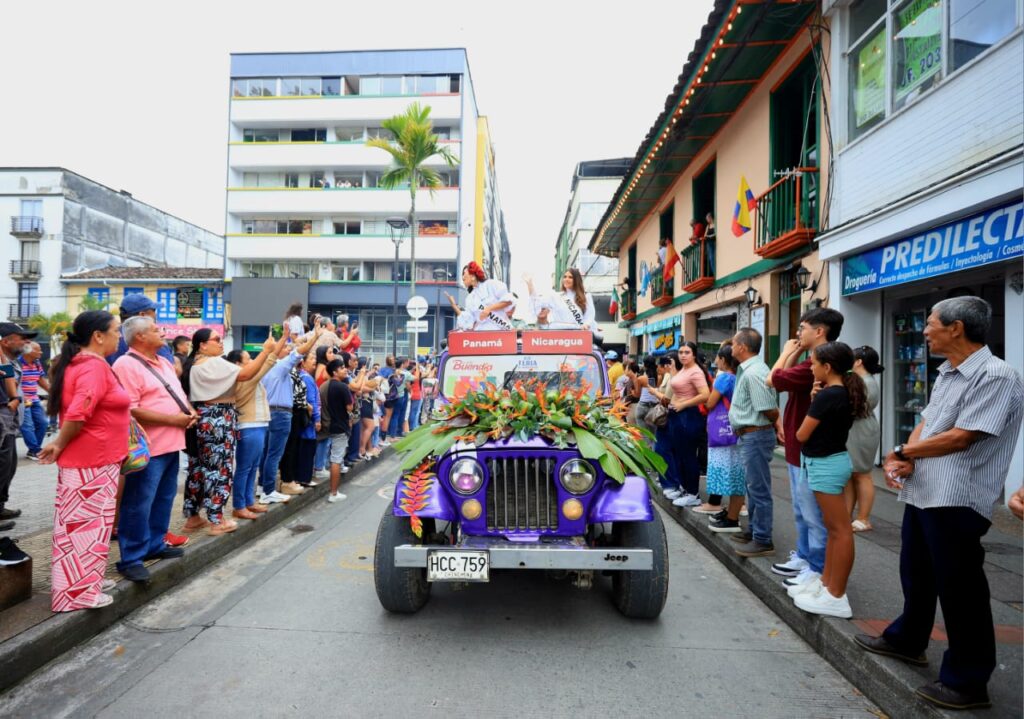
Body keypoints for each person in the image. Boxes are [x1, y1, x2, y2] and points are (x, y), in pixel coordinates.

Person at [858, 296, 1023, 711]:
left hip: (959, 498)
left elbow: (963, 436)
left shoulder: (996, 375)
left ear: (956, 328)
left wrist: (906, 452)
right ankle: (907, 640)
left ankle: (968, 682)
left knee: (961, 590)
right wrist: (902, 455)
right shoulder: (947, 372)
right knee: (916, 572)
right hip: (927, 492)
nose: (925, 329)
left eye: (930, 323)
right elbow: (928, 423)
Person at [38, 311, 129, 611]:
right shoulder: (92, 367)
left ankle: (85, 581)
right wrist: (58, 443)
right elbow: (79, 411)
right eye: (116, 331)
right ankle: (78, 594)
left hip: (92, 459)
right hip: (92, 460)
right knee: (85, 528)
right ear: (98, 336)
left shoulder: (85, 364)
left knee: (84, 527)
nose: (120, 336)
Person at [111, 316, 198, 583]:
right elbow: (131, 408)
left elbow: (175, 395)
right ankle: (132, 557)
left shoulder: (163, 361)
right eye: (154, 330)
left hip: (171, 443)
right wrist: (174, 419)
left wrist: (188, 411)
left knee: (163, 497)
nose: (161, 332)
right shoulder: (126, 364)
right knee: (138, 502)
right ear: (139, 337)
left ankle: (154, 544)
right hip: (148, 446)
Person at [767, 308, 843, 590]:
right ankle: (806, 557)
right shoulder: (814, 363)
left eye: (803, 328)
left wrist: (788, 351)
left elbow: (772, 378)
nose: (798, 334)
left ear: (820, 331)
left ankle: (817, 568)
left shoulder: (820, 364)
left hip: (811, 450)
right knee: (802, 509)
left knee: (813, 513)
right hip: (800, 447)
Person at [791, 341, 868, 619]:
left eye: (813, 363)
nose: (811, 367)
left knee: (840, 530)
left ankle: (836, 594)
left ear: (827, 367)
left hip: (826, 464)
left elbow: (801, 434)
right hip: (829, 462)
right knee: (836, 529)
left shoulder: (829, 395)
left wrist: (813, 405)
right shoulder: (840, 392)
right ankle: (828, 584)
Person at [180, 327, 275, 536]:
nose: (221, 343)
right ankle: (217, 520)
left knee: (198, 469)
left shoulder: (194, 363)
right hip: (219, 417)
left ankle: (193, 516)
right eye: (216, 339)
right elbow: (246, 373)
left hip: (203, 414)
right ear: (203, 345)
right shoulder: (213, 361)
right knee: (220, 469)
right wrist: (266, 351)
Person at [727, 328, 779, 558]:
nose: (731, 346)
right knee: (753, 485)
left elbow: (769, 409)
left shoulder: (753, 372)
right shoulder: (748, 369)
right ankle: (754, 531)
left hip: (756, 434)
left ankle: (763, 539)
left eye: (734, 342)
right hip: (750, 434)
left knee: (759, 488)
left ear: (742, 347)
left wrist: (777, 424)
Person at [226, 329, 288, 519]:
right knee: (245, 467)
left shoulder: (249, 377)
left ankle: (248, 502)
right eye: (247, 359)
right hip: (248, 424)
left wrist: (282, 340)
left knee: (252, 467)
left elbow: (267, 363)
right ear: (238, 364)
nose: (252, 362)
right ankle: (239, 505)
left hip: (258, 424)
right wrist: (280, 341)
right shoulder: (242, 378)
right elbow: (268, 362)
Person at [258, 327, 323, 501]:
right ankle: (268, 491)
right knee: (275, 454)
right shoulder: (280, 367)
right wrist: (314, 337)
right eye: (286, 348)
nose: (289, 350)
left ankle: (263, 486)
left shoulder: (264, 367)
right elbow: (299, 352)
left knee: (267, 452)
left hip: (269, 412)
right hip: (280, 413)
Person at [0, 322, 37, 526]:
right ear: (5, 341)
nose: (26, 341)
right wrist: (13, 401)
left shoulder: (11, 361)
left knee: (8, 466)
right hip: (3, 418)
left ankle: (0, 506)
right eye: (21, 337)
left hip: (9, 423)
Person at [706, 344, 746, 533]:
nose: (715, 361)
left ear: (723, 360)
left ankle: (732, 516)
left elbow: (710, 402)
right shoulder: (740, 376)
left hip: (723, 430)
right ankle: (732, 511)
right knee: (736, 471)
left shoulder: (724, 379)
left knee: (725, 469)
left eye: (717, 357)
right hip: (736, 430)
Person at [667, 342, 710, 508]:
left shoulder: (696, 372)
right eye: (680, 352)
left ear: (693, 354)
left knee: (688, 456)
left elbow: (705, 395)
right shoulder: (683, 369)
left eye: (687, 352)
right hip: (677, 415)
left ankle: (693, 493)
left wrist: (684, 405)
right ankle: (684, 488)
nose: (683, 355)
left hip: (688, 416)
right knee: (679, 454)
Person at [846, 345, 883, 532]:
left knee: (862, 475)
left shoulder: (866, 382)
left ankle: (864, 518)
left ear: (859, 361)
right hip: (857, 430)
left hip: (861, 431)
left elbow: (856, 409)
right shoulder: (861, 380)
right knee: (852, 475)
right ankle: (848, 516)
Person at [106, 294, 175, 367]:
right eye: (153, 311)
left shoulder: (109, 337)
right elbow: (171, 368)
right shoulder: (150, 337)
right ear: (142, 315)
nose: (155, 315)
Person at [445, 261, 515, 331]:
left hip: (501, 331)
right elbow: (468, 321)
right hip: (481, 336)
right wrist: (454, 305)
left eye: (464, 274)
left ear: (473, 276)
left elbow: (508, 301)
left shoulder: (491, 285)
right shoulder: (470, 298)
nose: (463, 277)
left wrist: (489, 309)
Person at [322, 359, 353, 503]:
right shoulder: (342, 387)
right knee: (336, 459)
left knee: (333, 457)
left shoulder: (325, 386)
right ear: (334, 372)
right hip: (340, 426)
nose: (345, 369)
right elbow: (349, 408)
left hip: (329, 424)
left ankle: (334, 492)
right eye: (341, 368)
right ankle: (333, 493)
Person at [527, 269, 596, 331]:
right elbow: (537, 302)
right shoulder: (555, 296)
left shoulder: (586, 296)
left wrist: (586, 325)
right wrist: (530, 285)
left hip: (578, 333)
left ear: (576, 280)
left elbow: (590, 315)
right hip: (560, 333)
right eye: (565, 277)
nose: (566, 279)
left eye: (570, 277)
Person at [19, 341, 50, 461]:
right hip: (23, 400)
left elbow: (40, 380)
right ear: (28, 351)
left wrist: (52, 392)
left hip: (34, 398)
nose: (41, 352)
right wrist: (21, 397)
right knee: (27, 425)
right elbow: (12, 383)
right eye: (38, 349)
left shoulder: (36, 363)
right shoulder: (18, 363)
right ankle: (35, 450)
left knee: (43, 423)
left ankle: (33, 449)